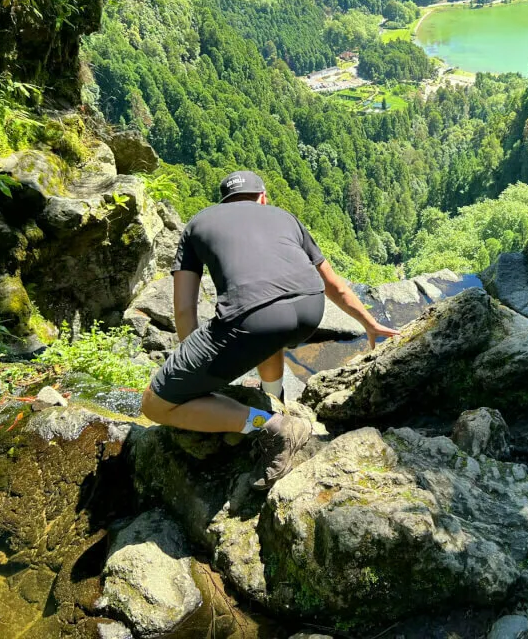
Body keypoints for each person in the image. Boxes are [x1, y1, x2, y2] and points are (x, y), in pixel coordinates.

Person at [141, 170, 399, 488]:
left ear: (224, 202)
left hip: (253, 320)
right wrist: (369, 324)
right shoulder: (285, 217)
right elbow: (334, 284)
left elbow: (184, 309)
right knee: (267, 335)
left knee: (154, 404)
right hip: (310, 309)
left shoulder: (197, 224)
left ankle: (272, 425)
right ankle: (275, 397)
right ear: (262, 198)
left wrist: (194, 376)